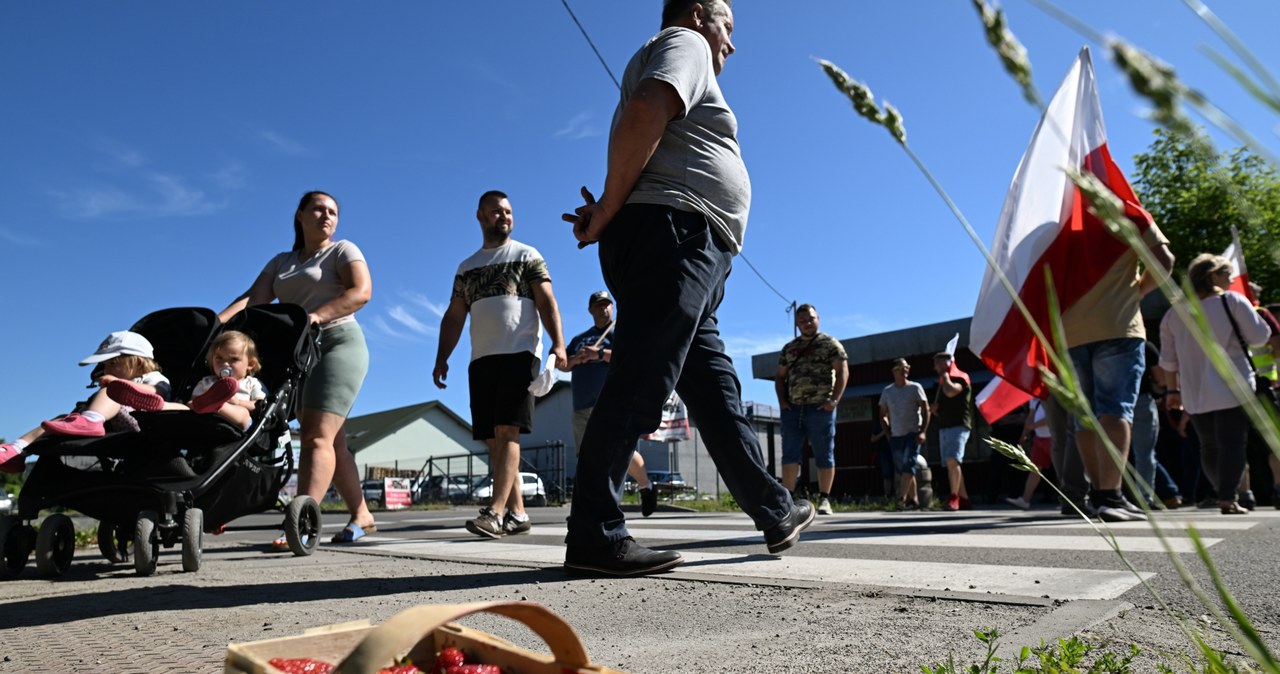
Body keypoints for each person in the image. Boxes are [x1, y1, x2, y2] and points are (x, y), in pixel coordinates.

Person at [561, 0, 813, 576]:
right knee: (643, 376)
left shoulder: (687, 49)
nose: (732, 43)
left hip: (686, 241)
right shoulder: (687, 42)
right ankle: (595, 535)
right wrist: (608, 207)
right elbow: (649, 107)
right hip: (674, 232)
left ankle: (773, 508)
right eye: (729, 25)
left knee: (713, 389)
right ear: (700, 14)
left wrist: (612, 209)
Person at [220, 191, 374, 547]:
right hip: (299, 352)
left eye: (333, 211)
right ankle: (362, 514)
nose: (327, 216)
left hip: (337, 342)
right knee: (332, 439)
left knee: (315, 435)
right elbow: (253, 299)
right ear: (300, 215)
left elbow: (361, 292)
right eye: (318, 209)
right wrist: (218, 324)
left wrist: (317, 315)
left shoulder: (342, 250)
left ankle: (301, 521)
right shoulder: (282, 262)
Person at [435, 190, 567, 539]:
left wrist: (559, 343)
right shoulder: (467, 267)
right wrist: (441, 357)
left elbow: (547, 301)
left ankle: (494, 513)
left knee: (508, 431)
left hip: (520, 352)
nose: (504, 217)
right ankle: (519, 513)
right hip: (481, 357)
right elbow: (454, 315)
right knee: (493, 440)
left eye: (508, 211)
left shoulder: (527, 255)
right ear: (480, 215)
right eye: (496, 212)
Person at [1061, 207, 1174, 522]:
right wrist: (1138, 291)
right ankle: (1112, 496)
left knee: (1083, 416)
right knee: (1114, 409)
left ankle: (1098, 494)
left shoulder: (1057, 221)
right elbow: (1165, 260)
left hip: (1069, 330)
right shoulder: (1129, 213)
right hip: (1118, 324)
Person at [1159, 254, 1270, 514]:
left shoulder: (1174, 314)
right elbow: (1260, 337)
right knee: (1232, 443)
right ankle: (1228, 497)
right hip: (1233, 385)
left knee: (1209, 445)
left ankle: (1224, 492)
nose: (1231, 281)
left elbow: (1168, 360)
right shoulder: (1230, 301)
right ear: (1213, 277)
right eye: (1226, 275)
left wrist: (1172, 390)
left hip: (1194, 389)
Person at [1, 331, 171, 473]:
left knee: (112, 392)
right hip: (111, 426)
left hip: (143, 425)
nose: (106, 370)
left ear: (138, 362)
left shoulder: (153, 378)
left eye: (112, 364)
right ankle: (17, 450)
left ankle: (92, 419)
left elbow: (158, 393)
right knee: (58, 421)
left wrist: (117, 385)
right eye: (104, 365)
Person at [564, 290, 658, 517]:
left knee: (619, 452)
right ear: (590, 310)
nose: (603, 309)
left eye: (606, 305)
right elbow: (564, 364)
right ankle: (587, 506)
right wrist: (579, 358)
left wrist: (599, 354)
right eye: (598, 305)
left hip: (610, 401)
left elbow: (631, 357)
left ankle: (646, 486)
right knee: (586, 456)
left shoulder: (619, 334)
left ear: (612, 308)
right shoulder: (579, 339)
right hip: (582, 404)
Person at [105, 330, 267, 430]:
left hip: (236, 422)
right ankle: (159, 405)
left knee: (243, 414)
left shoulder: (252, 383)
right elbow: (193, 402)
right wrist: (198, 403)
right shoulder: (208, 381)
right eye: (219, 359)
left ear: (250, 364)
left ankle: (218, 405)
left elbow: (258, 406)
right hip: (201, 416)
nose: (225, 364)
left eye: (233, 359)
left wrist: (237, 401)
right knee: (183, 407)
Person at [774, 303, 848, 516]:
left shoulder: (829, 343)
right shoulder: (790, 348)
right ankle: (788, 501)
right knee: (789, 454)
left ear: (818, 318)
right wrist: (783, 402)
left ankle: (825, 499)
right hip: (793, 408)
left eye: (811, 319)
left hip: (820, 407)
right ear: (797, 324)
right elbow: (780, 376)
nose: (807, 323)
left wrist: (834, 401)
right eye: (802, 321)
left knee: (824, 453)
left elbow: (843, 371)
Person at [1131, 340, 1182, 508]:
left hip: (1108, 402)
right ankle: (1145, 498)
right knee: (1144, 454)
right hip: (1141, 398)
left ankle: (1111, 494)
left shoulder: (1104, 343)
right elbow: (1161, 378)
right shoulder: (1144, 346)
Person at [879, 358, 930, 510]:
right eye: (902, 367)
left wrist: (923, 432)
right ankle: (913, 500)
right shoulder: (887, 391)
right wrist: (887, 433)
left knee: (909, 464)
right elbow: (882, 414)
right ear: (894, 371)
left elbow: (926, 409)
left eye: (907, 367)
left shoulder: (915, 388)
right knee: (904, 469)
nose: (905, 370)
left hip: (913, 433)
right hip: (896, 435)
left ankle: (900, 500)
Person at [931, 352, 972, 511]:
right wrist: (935, 410)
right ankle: (965, 499)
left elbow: (951, 392)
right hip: (944, 426)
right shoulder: (942, 384)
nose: (935, 368)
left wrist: (946, 376)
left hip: (959, 425)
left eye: (937, 364)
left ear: (946, 364)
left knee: (952, 460)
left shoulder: (961, 377)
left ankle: (954, 497)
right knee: (952, 464)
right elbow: (943, 406)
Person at [1007, 398, 1052, 509]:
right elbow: (1030, 417)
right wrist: (1024, 433)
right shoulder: (1034, 400)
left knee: (1063, 469)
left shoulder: (1051, 397)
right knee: (1034, 469)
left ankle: (1073, 498)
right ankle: (1025, 500)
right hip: (1039, 438)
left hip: (1054, 438)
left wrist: (1033, 426)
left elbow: (1052, 418)